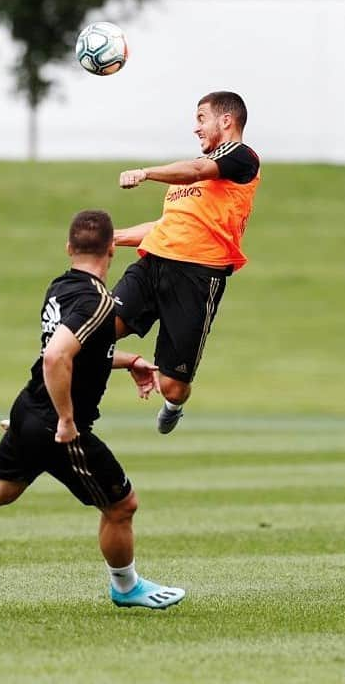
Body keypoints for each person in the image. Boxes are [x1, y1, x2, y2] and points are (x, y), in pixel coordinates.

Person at [0, 210, 185, 612]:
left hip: (29, 408)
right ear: (113, 248)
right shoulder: (97, 300)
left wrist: (128, 360)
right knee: (121, 505)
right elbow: (57, 356)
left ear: (69, 248)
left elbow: (72, 348)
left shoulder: (61, 286)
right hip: (57, 425)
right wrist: (65, 420)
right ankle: (126, 586)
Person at [113, 91, 261, 434]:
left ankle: (173, 404)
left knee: (172, 385)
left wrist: (146, 172)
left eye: (200, 118)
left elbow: (195, 170)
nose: (195, 128)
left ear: (226, 121)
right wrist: (115, 238)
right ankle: (56, 415)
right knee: (93, 333)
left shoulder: (241, 158)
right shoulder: (188, 178)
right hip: (152, 264)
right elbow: (168, 226)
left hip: (196, 275)